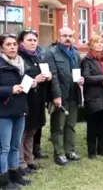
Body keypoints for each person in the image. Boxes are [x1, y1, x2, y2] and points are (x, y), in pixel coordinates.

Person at [45, 27, 83, 166]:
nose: (68, 38)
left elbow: (78, 72)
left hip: (73, 94)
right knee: (58, 126)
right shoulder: (51, 53)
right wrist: (56, 96)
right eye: (64, 35)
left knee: (71, 124)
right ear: (58, 37)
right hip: (60, 94)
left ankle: (70, 150)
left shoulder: (75, 54)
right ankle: (59, 153)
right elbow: (53, 76)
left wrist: (81, 80)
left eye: (70, 36)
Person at [0, 33, 32, 188]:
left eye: (14, 44)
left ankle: (15, 175)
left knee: (15, 145)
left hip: (20, 110)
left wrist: (30, 85)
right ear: (1, 48)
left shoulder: (22, 64)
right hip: (4, 112)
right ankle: (4, 180)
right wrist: (10, 89)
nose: (12, 47)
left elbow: (23, 84)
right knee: (4, 148)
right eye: (8, 44)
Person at [17, 29, 51, 175]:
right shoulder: (19, 58)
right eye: (29, 40)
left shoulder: (37, 57)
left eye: (34, 40)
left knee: (32, 129)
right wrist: (34, 80)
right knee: (23, 132)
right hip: (24, 99)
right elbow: (18, 81)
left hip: (37, 99)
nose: (32, 43)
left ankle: (29, 158)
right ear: (22, 42)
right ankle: (20, 162)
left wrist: (48, 77)